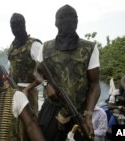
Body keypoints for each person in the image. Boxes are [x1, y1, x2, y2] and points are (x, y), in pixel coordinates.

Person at [36, 4, 100, 141]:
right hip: (51, 110)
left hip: (79, 112)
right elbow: (37, 73)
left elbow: (95, 85)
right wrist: (47, 85)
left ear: (77, 21)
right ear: (56, 22)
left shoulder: (89, 48)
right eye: (62, 18)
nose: (67, 22)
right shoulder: (45, 47)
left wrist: (88, 115)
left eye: (71, 18)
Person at [7, 13, 43, 116]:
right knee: (15, 125)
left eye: (18, 25)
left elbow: (43, 73)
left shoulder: (34, 45)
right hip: (13, 90)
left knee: (31, 123)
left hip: (29, 91)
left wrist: (28, 89)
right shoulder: (13, 46)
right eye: (13, 26)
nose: (15, 29)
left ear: (24, 25)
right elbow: (11, 69)